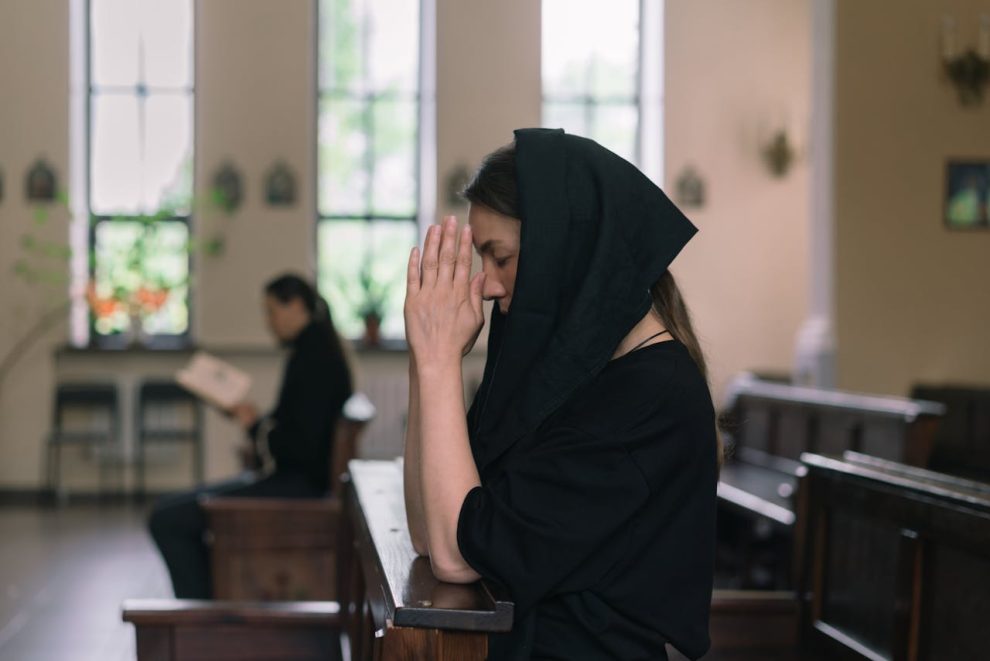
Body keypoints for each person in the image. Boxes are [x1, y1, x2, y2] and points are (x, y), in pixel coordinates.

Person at [402, 129, 720, 660]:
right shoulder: (566, 377)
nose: (488, 284)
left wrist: (437, 363)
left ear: (564, 251)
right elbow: (430, 532)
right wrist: (426, 358)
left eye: (499, 257)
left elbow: (460, 554)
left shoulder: (651, 396)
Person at [149, 273, 353, 599]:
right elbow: (297, 429)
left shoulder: (314, 357)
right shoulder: (316, 348)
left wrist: (254, 425)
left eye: (271, 311)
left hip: (298, 487)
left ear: (296, 306)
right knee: (167, 509)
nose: (268, 322)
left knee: (167, 519)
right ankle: (209, 603)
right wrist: (255, 422)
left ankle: (204, 616)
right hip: (296, 480)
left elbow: (299, 448)